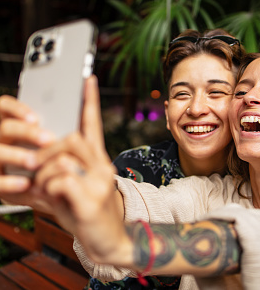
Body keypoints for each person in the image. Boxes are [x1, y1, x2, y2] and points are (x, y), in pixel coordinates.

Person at [0, 40, 260, 289]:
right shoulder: (214, 191)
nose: (249, 98)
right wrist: (70, 184)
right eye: (242, 90)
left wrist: (122, 243)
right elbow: (141, 207)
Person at [88, 29, 244, 289]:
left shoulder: (255, 182)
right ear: (168, 113)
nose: (196, 109)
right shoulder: (132, 166)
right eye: (182, 94)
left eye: (216, 92)